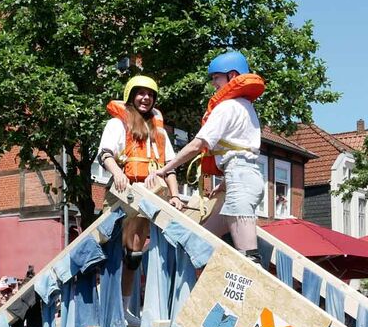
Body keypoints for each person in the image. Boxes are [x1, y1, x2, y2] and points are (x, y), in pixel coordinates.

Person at [150, 52, 265, 263]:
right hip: (242, 177)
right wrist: (224, 183)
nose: (213, 84)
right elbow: (242, 153)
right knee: (200, 240)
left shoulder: (227, 106)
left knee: (249, 258)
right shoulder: (247, 107)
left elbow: (197, 144)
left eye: (216, 78)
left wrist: (165, 169)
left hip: (240, 179)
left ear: (232, 75)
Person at [97, 75, 181, 305]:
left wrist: (174, 196)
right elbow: (105, 154)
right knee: (109, 251)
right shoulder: (118, 124)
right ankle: (104, 305)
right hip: (122, 193)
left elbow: (169, 167)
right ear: (131, 96)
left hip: (149, 197)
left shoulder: (160, 133)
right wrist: (118, 174)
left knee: (133, 256)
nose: (146, 98)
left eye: (150, 94)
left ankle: (123, 309)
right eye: (141, 93)